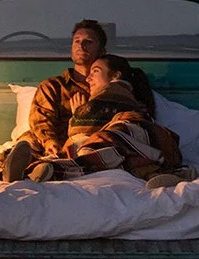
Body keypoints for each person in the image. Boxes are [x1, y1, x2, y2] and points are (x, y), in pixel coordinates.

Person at [2, 18, 158, 182]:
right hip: (56, 143)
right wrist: (50, 143)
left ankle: (48, 168)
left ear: (102, 51)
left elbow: (134, 118)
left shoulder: (113, 88)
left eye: (88, 42)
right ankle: (22, 168)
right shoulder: (54, 86)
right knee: (28, 141)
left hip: (96, 141)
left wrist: (84, 114)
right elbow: (41, 120)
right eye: (76, 41)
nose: (81, 46)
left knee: (121, 144)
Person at [60, 55, 191, 185]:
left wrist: (78, 113)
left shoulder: (114, 90)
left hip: (137, 134)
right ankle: (157, 173)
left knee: (89, 146)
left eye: (95, 71)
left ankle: (59, 169)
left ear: (116, 75)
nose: (88, 79)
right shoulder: (126, 96)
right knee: (123, 159)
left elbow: (81, 127)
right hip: (148, 146)